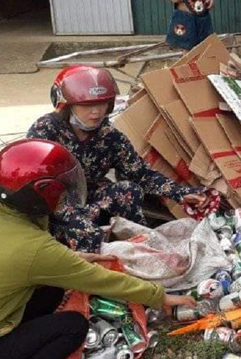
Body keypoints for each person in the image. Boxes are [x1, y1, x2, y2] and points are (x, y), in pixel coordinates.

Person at [0, 139, 196, 359]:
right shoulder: (33, 249)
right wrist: (160, 296)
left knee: (52, 289)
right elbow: (100, 280)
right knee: (71, 327)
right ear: (42, 193)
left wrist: (68, 258)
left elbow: (20, 260)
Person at [27, 65, 207, 252]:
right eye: (87, 105)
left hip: (92, 201)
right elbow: (30, 183)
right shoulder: (45, 131)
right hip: (56, 208)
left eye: (102, 103)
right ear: (66, 104)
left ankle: (141, 250)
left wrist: (181, 193)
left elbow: (141, 174)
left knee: (129, 190)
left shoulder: (109, 135)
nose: (96, 111)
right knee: (85, 231)